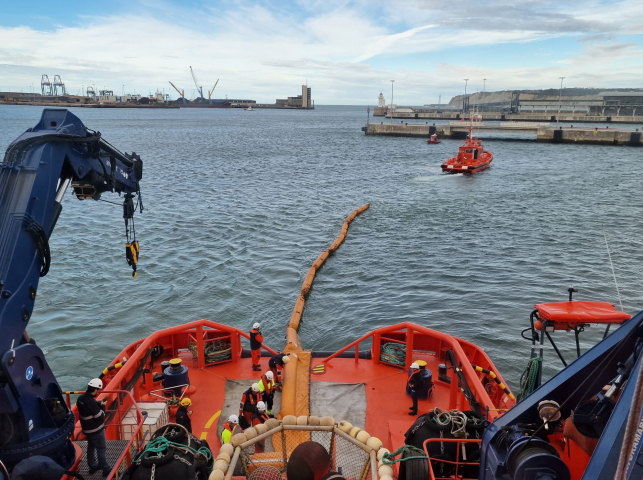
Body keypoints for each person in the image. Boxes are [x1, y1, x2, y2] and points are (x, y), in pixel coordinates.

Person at [77, 378, 111, 477]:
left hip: (87, 430)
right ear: (95, 390)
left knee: (91, 447)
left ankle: (92, 466)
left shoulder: (80, 399)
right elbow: (100, 417)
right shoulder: (91, 402)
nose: (98, 392)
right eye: (98, 390)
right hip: (96, 431)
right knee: (101, 449)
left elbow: (88, 408)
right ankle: (106, 469)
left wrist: (97, 403)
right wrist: (103, 406)